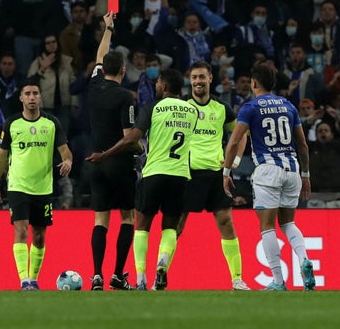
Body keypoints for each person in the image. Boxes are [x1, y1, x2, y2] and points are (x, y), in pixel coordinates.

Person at [88, 69, 197, 291]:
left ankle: (141, 279)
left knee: (142, 227)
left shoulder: (153, 108)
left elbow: (132, 138)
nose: (156, 85)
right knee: (170, 227)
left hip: (155, 173)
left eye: (158, 83)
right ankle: (163, 265)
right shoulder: (192, 110)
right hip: (180, 175)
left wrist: (105, 154)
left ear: (164, 87)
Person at [222, 64, 316, 291]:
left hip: (267, 170)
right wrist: (305, 174)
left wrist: (226, 171)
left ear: (254, 83)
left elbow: (234, 141)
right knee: (289, 222)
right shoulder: (288, 106)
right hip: (292, 168)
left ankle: (278, 281)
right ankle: (304, 259)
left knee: (267, 227)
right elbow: (302, 144)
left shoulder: (250, 107)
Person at [0, 78, 73, 290]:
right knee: (21, 231)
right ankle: (24, 280)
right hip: (18, 186)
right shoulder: (11, 124)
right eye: (27, 94)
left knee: (39, 236)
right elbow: (1, 156)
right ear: (21, 98)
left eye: (35, 93)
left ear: (40, 96)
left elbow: (65, 151)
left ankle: (34, 279)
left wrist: (68, 161)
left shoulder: (52, 123)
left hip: (43, 187)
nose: (32, 97)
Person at [177, 61, 250, 291]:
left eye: (202, 77)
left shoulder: (221, 109)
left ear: (210, 78)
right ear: (190, 80)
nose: (198, 81)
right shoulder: (181, 107)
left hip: (216, 176)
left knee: (226, 223)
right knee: (175, 226)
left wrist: (235, 161)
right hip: (187, 175)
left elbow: (241, 134)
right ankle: (160, 275)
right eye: (194, 77)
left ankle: (237, 279)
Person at [85, 12, 138, 291]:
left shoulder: (93, 85)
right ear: (123, 70)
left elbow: (99, 54)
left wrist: (108, 28)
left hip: (95, 165)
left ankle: (96, 275)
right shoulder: (124, 97)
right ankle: (118, 274)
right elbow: (129, 138)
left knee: (100, 220)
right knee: (128, 216)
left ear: (103, 69)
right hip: (118, 163)